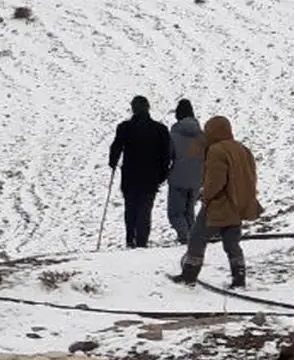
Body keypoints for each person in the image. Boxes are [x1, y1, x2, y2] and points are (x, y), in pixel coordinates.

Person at [170, 116, 261, 288]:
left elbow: (215, 181)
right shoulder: (243, 149)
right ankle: (239, 277)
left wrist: (206, 196)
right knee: (232, 242)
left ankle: (189, 275)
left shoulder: (217, 150)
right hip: (237, 204)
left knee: (197, 237)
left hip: (219, 204)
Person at [108, 95, 171, 248]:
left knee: (130, 208)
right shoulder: (160, 129)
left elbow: (116, 147)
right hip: (151, 177)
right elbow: (166, 154)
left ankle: (130, 239)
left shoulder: (124, 127)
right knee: (145, 209)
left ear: (133, 109)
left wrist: (113, 162)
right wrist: (163, 174)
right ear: (148, 108)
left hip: (130, 175)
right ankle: (142, 241)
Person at [167, 99, 204, 245]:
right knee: (189, 213)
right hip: (196, 179)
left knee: (175, 213)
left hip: (178, 178)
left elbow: (168, 154)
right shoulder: (202, 135)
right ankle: (194, 238)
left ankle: (185, 238)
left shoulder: (174, 134)